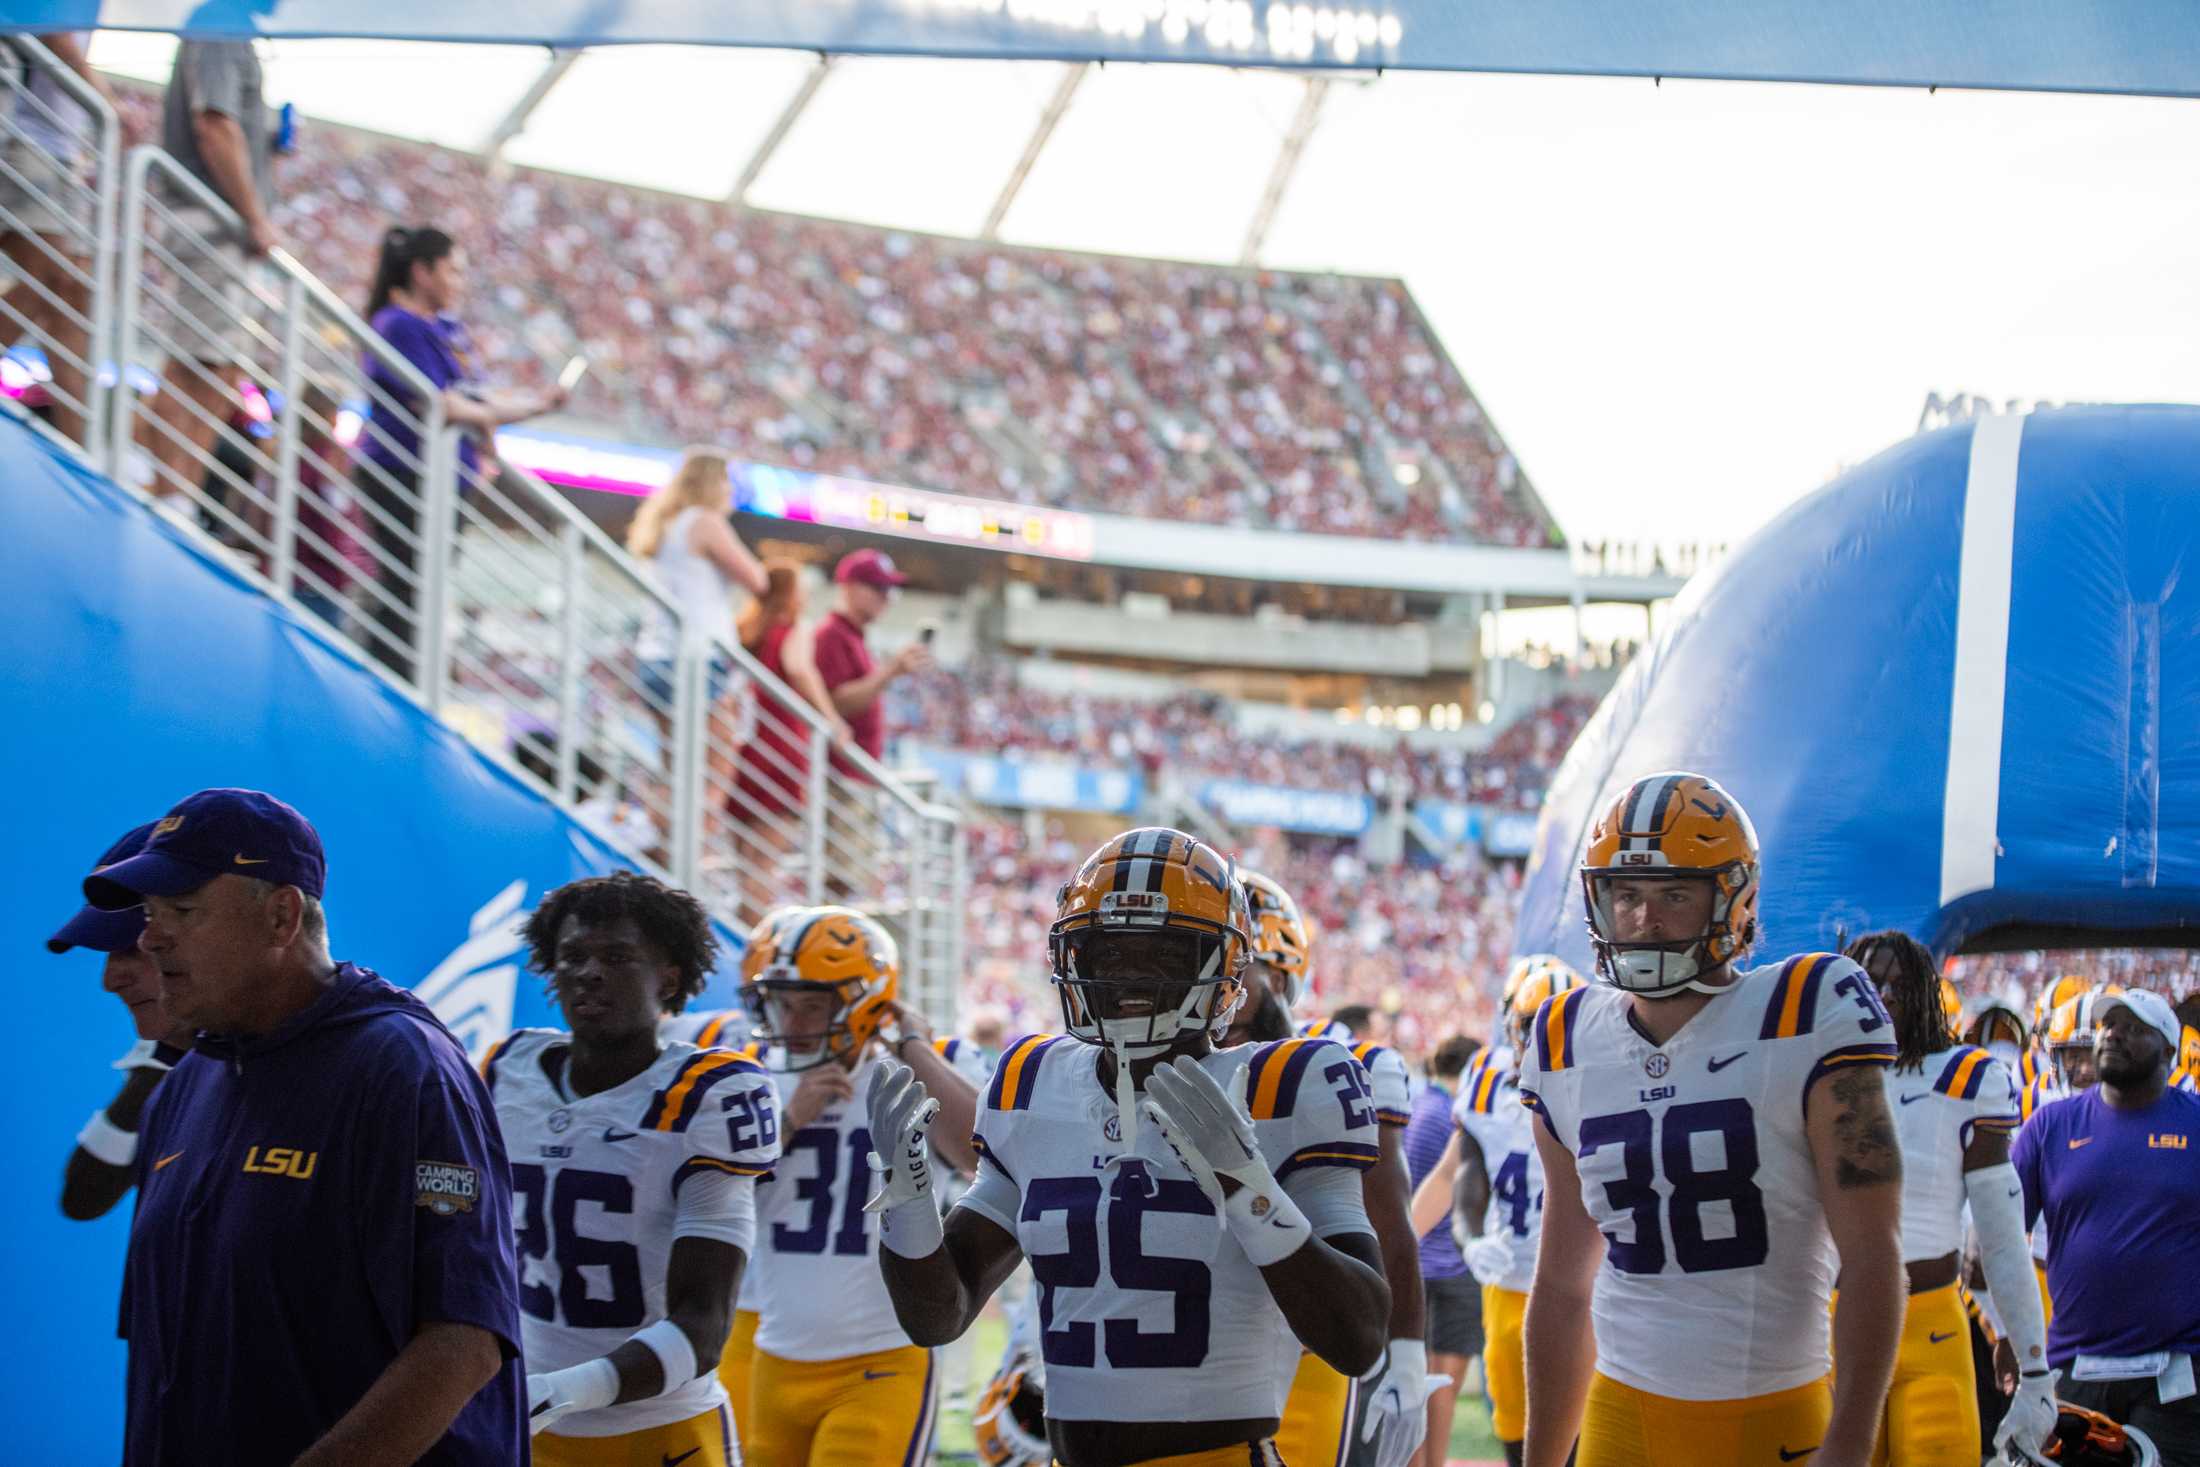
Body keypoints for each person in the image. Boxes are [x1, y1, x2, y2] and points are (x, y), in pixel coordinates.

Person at [870, 826, 1392, 1467]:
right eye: (1107, 952)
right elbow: (938, 1317)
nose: (1128, 976)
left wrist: (1250, 1192)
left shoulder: (1285, 1086)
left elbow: (1360, 1338)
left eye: (1164, 954)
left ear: (1223, 969)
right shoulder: (1032, 1080)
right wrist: (908, 1203)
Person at [83, 787, 527, 1464]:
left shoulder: (406, 1071)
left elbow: (463, 1343)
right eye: (148, 912)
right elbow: (162, 1356)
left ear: (281, 915)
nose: (149, 936)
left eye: (182, 909)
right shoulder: (184, 1087)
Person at [1519, 772, 1904, 1467]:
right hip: (1621, 1417)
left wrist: (1849, 1441)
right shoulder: (1564, 1037)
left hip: (1773, 1418)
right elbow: (1562, 1284)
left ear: (1735, 898)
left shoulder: (1807, 1010)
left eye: (1675, 893)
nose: (1644, 918)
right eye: (1626, 894)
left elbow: (1873, 1254)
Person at [484, 872, 781, 1463]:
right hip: (532, 1429)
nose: (590, 972)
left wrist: (562, 1390)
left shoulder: (709, 1095)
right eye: (573, 956)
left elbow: (703, 1326)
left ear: (668, 976)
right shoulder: (508, 1067)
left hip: (663, 1433)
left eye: (617, 956)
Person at [737, 904, 980, 1466]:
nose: (793, 1024)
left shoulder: (924, 1068)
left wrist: (913, 1047)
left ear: (865, 1001)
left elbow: (980, 1154)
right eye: (782, 1004)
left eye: (812, 1005)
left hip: (882, 1358)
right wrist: (790, 1121)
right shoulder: (750, 1079)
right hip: (774, 1352)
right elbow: (704, 1198)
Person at [1845, 930, 2050, 1466]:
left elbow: (2002, 1237)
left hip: (1930, 1321)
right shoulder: (1815, 1076)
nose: (1885, 996)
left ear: (1926, 994)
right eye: (1870, 983)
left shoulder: (1966, 1077)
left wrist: (2031, 1362)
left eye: (1900, 984)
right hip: (1831, 1325)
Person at [1251, 869, 1431, 1467]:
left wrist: (1406, 1350)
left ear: (1275, 975)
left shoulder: (1343, 1063)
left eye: (1224, 962)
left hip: (1310, 1342)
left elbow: (1388, 1214)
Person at [356, 225, 565, 682]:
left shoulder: (443, 329)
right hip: (403, 468)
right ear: (421, 271)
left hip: (439, 473)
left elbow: (472, 399)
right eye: (453, 270)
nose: (460, 281)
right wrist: (527, 408)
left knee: (421, 587)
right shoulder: (398, 324)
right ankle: (384, 682)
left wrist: (518, 416)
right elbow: (442, 403)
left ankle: (402, 681)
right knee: (407, 585)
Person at [2013, 988, 2200, 1464]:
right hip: (2075, 1365)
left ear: (2169, 1051)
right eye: (2108, 1025)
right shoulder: (2050, 1126)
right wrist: (2009, 1335)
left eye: (2134, 1029)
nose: (2114, 1035)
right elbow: (1999, 1236)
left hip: (2175, 1371)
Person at [1415, 963, 1584, 1467]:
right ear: (1510, 1021)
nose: (1542, 1038)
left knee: (1585, 1427)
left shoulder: (1602, 1073)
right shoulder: (1486, 1077)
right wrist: (1460, 1237)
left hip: (1586, 1284)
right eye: (1531, 1023)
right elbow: (1457, 1172)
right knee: (1516, 1426)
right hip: (1507, 1282)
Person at [136, 40, 279, 503]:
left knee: (218, 365)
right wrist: (254, 216)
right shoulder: (220, 28)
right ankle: (166, 491)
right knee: (196, 362)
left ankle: (176, 493)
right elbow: (214, 124)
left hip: (220, 225)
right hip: (208, 222)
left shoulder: (228, 31)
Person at [50, 820, 193, 1221]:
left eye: (132, 948)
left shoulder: (359, 1061)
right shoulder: (171, 1056)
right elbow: (82, 1197)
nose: (110, 981)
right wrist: (159, 1066)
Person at [783, 548, 929, 897]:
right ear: (849, 587)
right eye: (877, 589)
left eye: (888, 590)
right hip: (841, 776)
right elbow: (833, 705)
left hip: (854, 776)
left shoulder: (851, 636)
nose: (886, 599)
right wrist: (890, 671)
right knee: (841, 880)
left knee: (851, 879)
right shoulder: (831, 634)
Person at [1, 30, 120, 445]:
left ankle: (82, 445)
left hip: (61, 152)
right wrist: (107, 102)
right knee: (57, 278)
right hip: (25, 137)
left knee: (76, 290)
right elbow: (52, 30)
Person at [728, 560, 846, 916]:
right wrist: (831, 718)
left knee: (745, 865)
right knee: (764, 866)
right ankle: (750, 948)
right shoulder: (793, 629)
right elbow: (799, 669)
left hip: (744, 748)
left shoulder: (745, 629)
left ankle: (741, 938)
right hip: (781, 747)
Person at [627, 446, 769, 708]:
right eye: (726, 480)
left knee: (673, 748)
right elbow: (758, 581)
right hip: (698, 654)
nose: (731, 489)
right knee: (714, 746)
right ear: (712, 482)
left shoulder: (663, 522)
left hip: (655, 652)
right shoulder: (704, 521)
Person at [1401, 1033, 1481, 1467]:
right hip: (1451, 1263)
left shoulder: (1418, 1107)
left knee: (1417, 1383)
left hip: (1416, 1262)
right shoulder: (1452, 1116)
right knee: (1444, 1386)